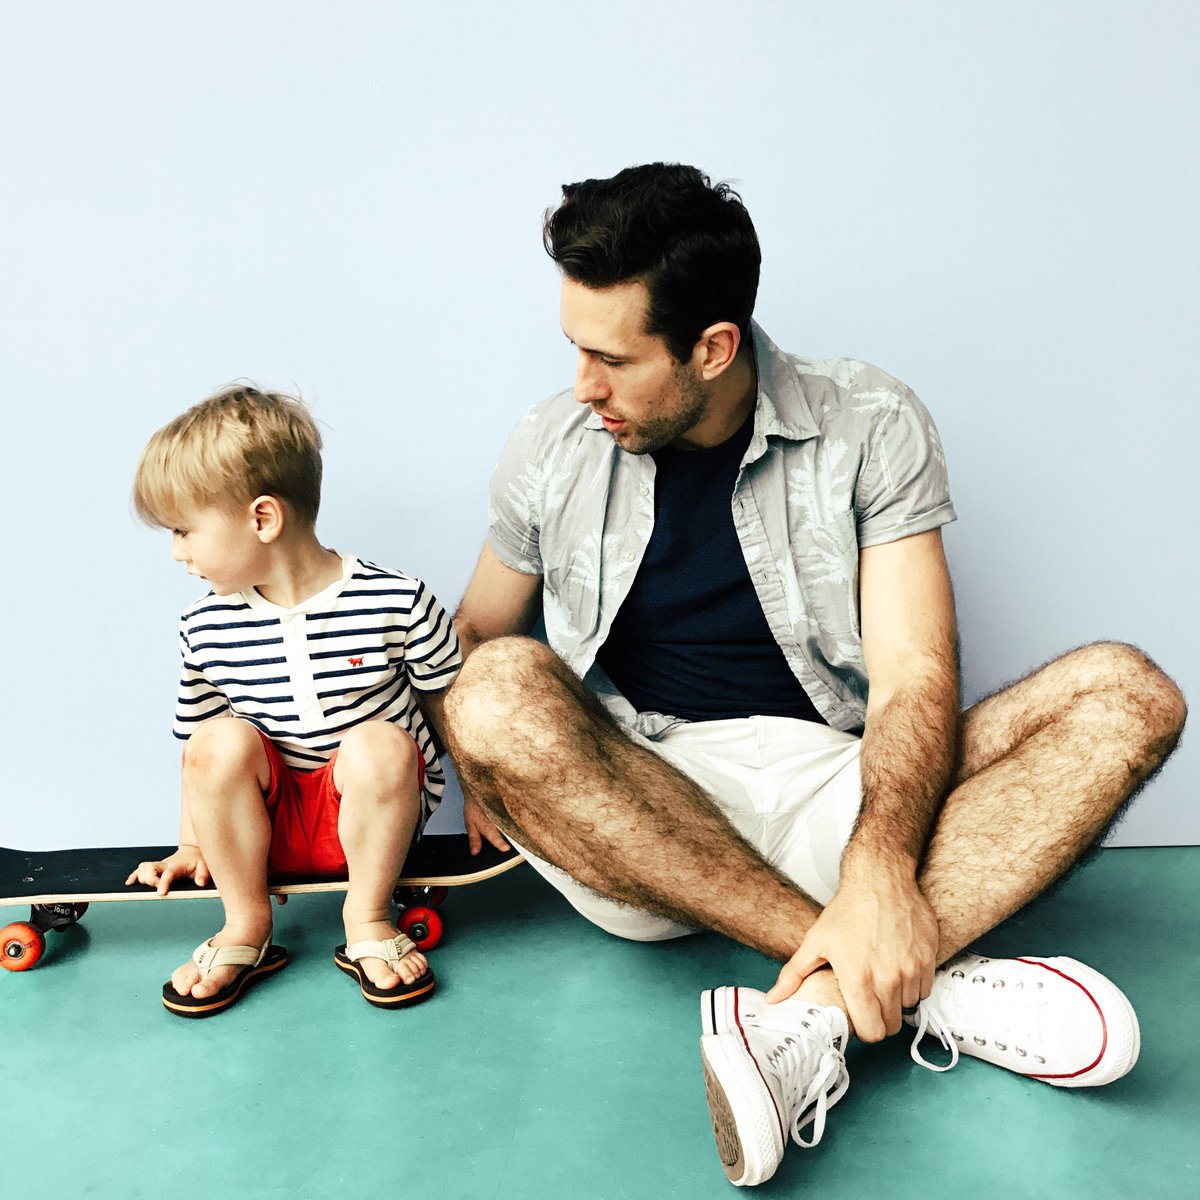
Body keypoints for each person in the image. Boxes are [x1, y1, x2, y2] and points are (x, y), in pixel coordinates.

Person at [442, 163, 1187, 1186]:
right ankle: (913, 985)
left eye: (612, 358)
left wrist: (880, 864)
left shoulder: (868, 418)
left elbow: (915, 675)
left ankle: (818, 1016)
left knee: (1127, 694)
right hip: (637, 809)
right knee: (490, 694)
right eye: (576, 349)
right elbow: (479, 636)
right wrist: (481, 761)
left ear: (713, 348)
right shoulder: (550, 445)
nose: (584, 386)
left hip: (840, 786)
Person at [127, 386, 461, 1017]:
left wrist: (490, 799)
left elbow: (451, 705)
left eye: (184, 530)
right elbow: (197, 747)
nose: (177, 552)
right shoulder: (204, 625)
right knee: (220, 740)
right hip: (263, 832)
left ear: (262, 520)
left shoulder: (397, 600)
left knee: (381, 742)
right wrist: (192, 844)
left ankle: (368, 919)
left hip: (374, 826)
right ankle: (244, 925)